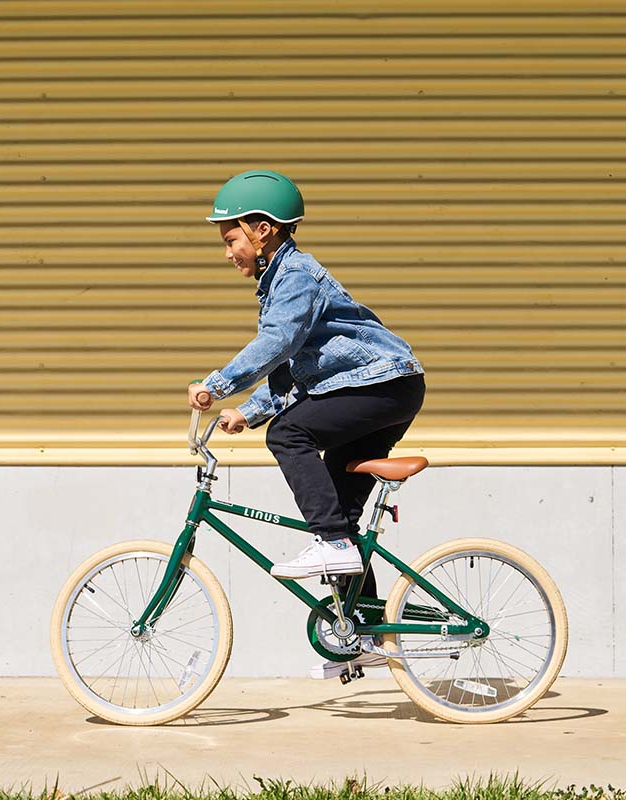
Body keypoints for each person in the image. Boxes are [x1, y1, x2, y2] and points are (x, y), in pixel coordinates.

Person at [186, 169, 427, 675]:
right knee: (337, 512)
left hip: (381, 384)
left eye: (231, 239)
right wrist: (247, 413)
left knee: (290, 433)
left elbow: (276, 344)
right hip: (378, 388)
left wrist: (218, 384)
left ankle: (333, 544)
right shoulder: (279, 282)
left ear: (263, 230)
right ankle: (359, 629)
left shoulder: (294, 276)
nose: (227, 252)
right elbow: (294, 367)